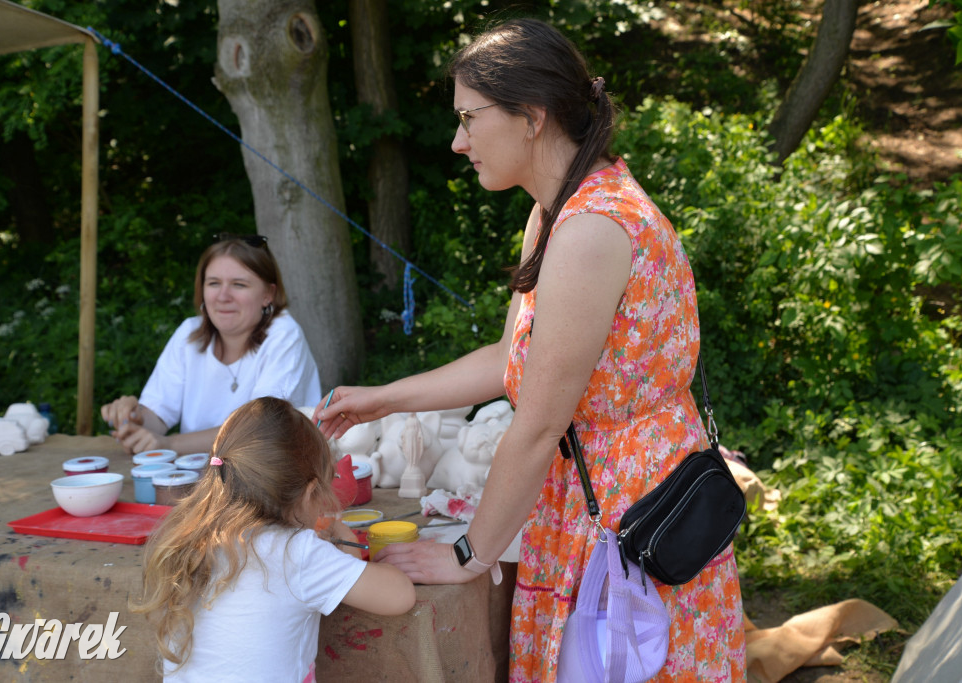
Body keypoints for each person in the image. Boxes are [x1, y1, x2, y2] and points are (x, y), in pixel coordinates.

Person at [314, 17, 745, 682]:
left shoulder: (592, 228)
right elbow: (509, 359)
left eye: (468, 118)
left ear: (531, 117)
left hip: (627, 515)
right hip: (594, 498)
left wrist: (468, 554)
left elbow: (540, 421)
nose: (458, 142)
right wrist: (382, 398)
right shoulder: (555, 212)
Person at [131, 397, 416, 681]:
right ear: (309, 493)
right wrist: (338, 528)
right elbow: (400, 595)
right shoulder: (298, 553)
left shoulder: (191, 538)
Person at [100, 234, 322, 455]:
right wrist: (133, 417)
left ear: (268, 295)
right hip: (200, 478)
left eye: (239, 284)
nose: (223, 296)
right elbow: (157, 417)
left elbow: (260, 428)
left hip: (270, 481)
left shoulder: (284, 335)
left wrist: (170, 445)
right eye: (214, 283)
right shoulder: (189, 333)